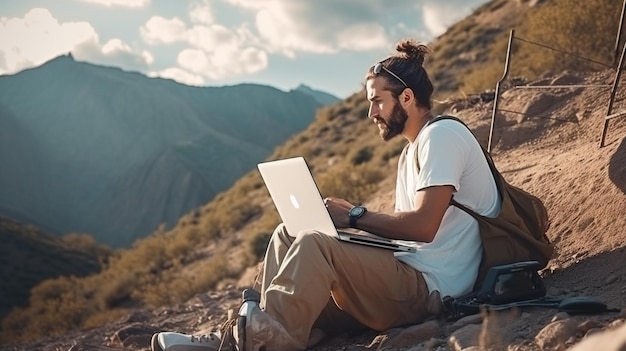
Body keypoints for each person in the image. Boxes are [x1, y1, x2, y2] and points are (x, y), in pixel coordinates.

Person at [151, 38, 501, 351]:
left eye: (377, 102)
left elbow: (423, 227)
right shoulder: (412, 151)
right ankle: (240, 335)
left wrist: (354, 216)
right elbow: (412, 236)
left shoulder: (441, 138)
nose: (371, 113)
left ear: (406, 98)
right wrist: (351, 231)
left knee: (317, 243)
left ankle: (265, 339)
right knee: (289, 233)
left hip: (431, 290)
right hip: (408, 273)